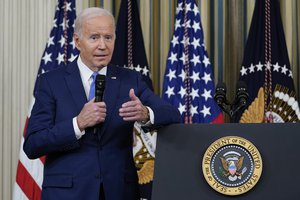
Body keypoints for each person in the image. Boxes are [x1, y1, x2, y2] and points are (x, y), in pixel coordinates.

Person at [23, 7, 181, 200]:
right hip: (67, 193)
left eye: (108, 37)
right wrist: (77, 124)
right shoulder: (51, 82)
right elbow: (33, 144)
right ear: (77, 41)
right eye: (94, 37)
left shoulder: (130, 80)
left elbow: (172, 114)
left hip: (119, 192)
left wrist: (146, 113)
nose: (103, 45)